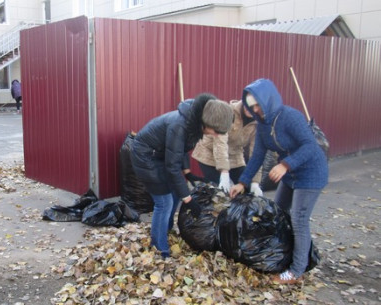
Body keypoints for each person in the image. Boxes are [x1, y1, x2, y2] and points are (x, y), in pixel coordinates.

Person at [229, 79, 328, 284]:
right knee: (279, 213)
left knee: (299, 220)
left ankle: (296, 271)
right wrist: (242, 182)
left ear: (269, 100)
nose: (256, 110)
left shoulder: (290, 117)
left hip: (311, 173)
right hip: (291, 175)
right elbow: (256, 157)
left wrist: (285, 164)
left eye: (258, 104)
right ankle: (282, 254)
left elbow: (310, 146)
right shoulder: (263, 126)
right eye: (251, 106)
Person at [131, 93, 234, 258]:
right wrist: (189, 200)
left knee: (175, 193)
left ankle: (166, 228)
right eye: (216, 131)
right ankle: (159, 248)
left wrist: (188, 173)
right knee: (164, 203)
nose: (216, 135)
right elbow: (172, 166)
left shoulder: (194, 121)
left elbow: (179, 149)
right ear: (207, 123)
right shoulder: (180, 125)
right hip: (146, 156)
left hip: (160, 154)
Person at [191, 99, 263, 196]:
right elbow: (220, 144)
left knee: (246, 188)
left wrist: (255, 182)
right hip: (209, 154)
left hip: (235, 155)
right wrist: (224, 173)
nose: (249, 108)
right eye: (247, 105)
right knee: (221, 193)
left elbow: (256, 153)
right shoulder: (228, 112)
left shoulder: (259, 123)